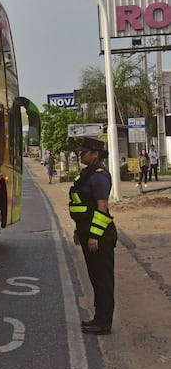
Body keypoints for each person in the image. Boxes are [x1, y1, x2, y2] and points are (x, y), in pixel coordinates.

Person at [68, 137, 117, 335]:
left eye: (85, 152)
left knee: (103, 279)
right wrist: (79, 231)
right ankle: (98, 318)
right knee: (96, 278)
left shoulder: (99, 176)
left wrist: (94, 236)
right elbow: (84, 208)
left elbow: (102, 207)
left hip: (100, 237)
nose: (81, 154)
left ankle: (104, 322)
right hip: (88, 233)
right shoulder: (88, 174)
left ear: (96, 154)